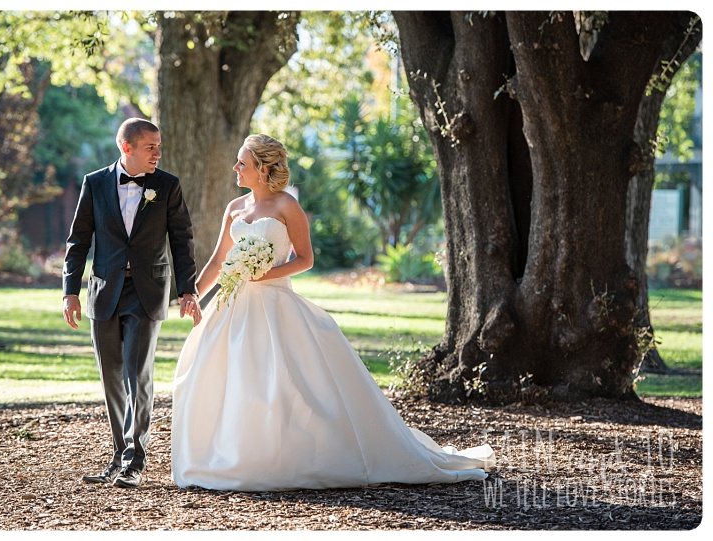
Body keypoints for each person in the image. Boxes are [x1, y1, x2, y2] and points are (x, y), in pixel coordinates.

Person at [170, 134, 494, 491]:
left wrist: (264, 273)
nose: (236, 168)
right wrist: (190, 294)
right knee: (226, 378)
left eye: (242, 163)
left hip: (275, 304)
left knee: (284, 383)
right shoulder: (234, 208)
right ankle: (229, 455)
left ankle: (287, 457)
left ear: (262, 169)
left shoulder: (286, 207)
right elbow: (218, 261)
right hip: (232, 308)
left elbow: (305, 260)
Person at [63, 118, 201, 489]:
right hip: (104, 291)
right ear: (127, 148)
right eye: (151, 147)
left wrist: (188, 290)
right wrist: (70, 291)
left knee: (137, 375)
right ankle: (117, 455)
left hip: (147, 291)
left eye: (159, 146)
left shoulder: (167, 186)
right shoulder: (94, 183)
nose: (158, 153)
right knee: (111, 377)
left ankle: (135, 461)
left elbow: (182, 240)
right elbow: (78, 241)